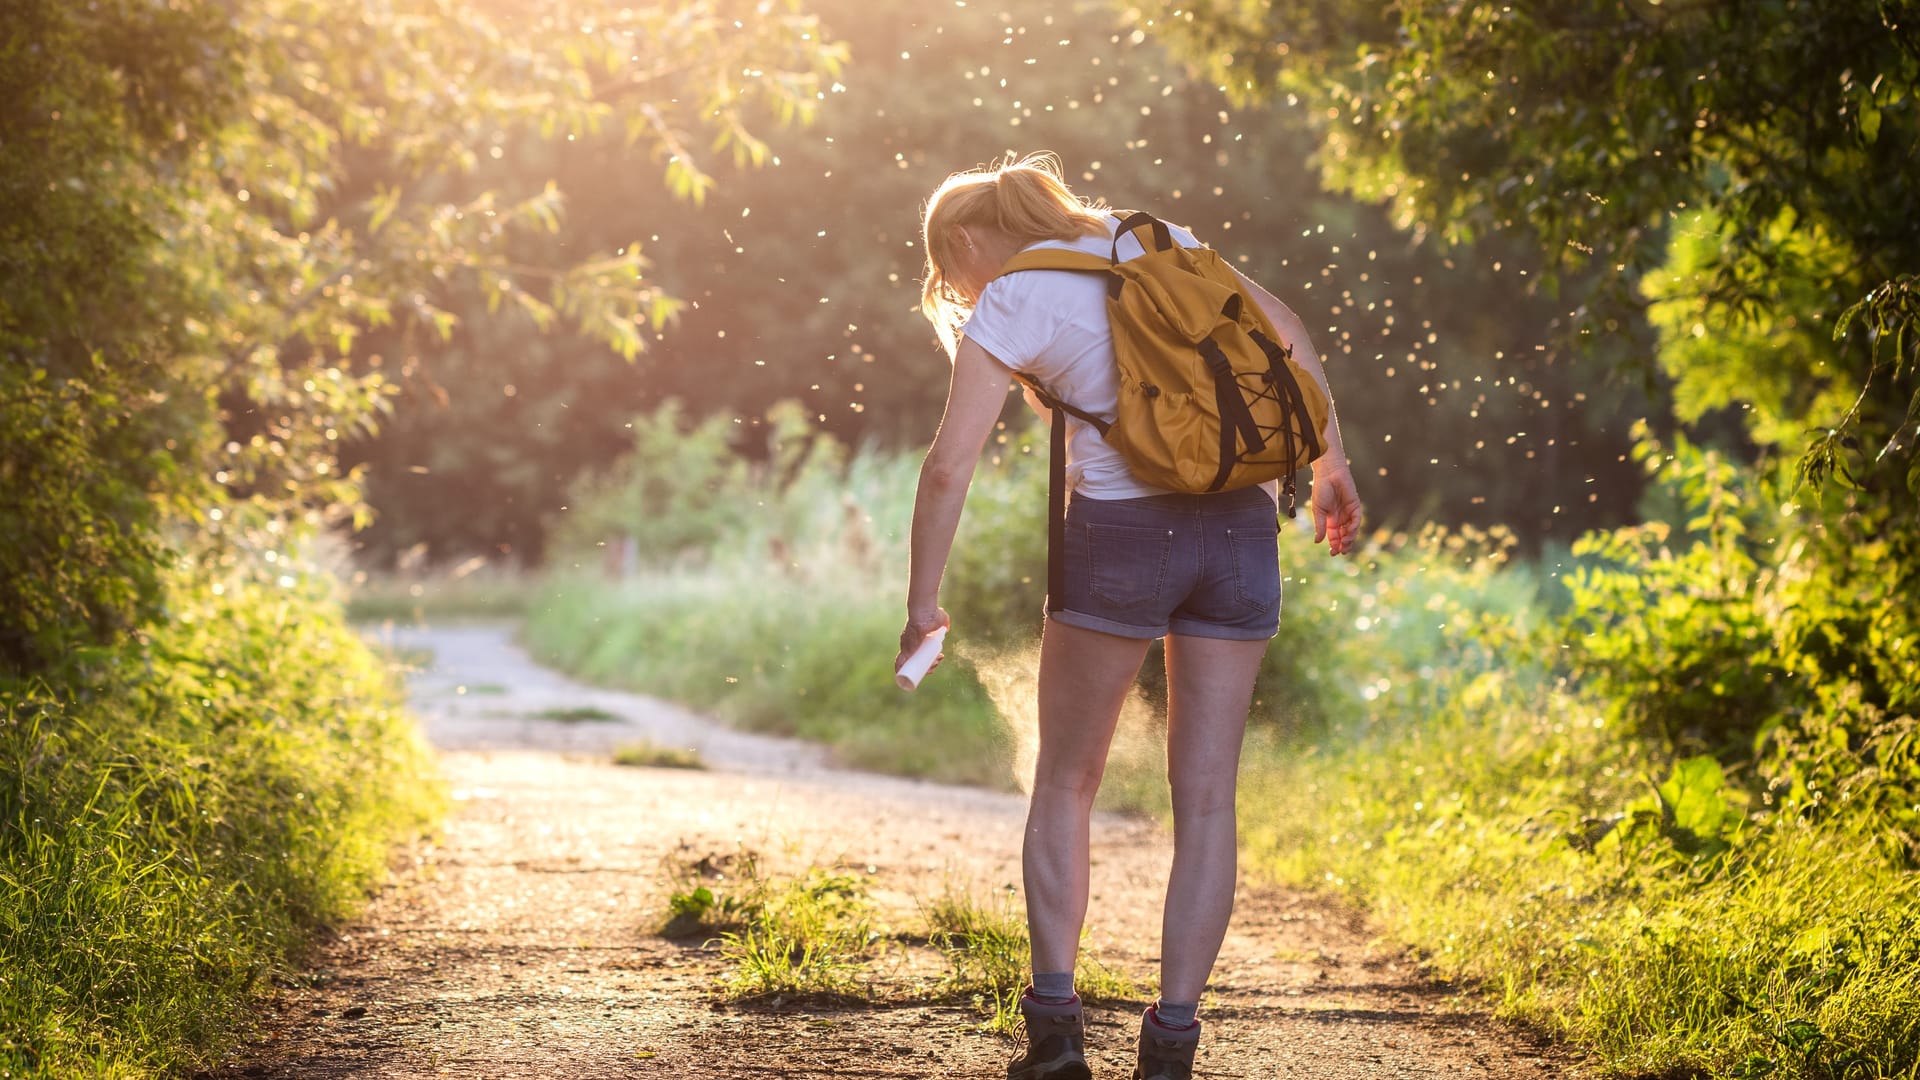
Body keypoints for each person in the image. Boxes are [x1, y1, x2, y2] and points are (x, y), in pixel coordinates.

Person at [895, 152, 1363, 1080]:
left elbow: (950, 466)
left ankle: (1058, 1036)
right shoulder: (1160, 240)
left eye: (948, 274)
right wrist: (1330, 466)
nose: (955, 289)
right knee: (1208, 799)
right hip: (1239, 531)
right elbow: (1291, 332)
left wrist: (922, 605)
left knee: (1067, 781)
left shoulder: (1015, 297)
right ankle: (1173, 1045)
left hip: (1119, 535)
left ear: (961, 243)